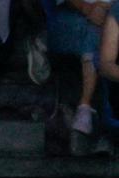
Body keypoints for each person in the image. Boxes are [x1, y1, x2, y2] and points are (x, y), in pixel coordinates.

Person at [47, 0, 113, 134]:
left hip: (110, 20)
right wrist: (87, 8)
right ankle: (85, 106)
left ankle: (85, 106)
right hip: (72, 20)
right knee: (93, 33)